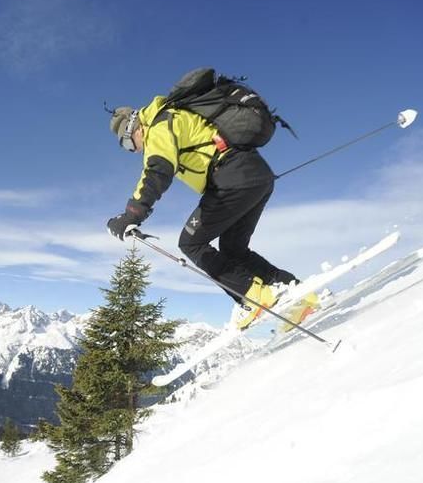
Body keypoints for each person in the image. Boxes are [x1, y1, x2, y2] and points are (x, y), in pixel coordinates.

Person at [106, 96, 299, 324]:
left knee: (191, 243)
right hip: (255, 174)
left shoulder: (158, 125)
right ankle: (294, 293)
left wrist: (132, 215)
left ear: (134, 127)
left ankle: (253, 296)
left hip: (230, 178)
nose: (134, 151)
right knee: (233, 248)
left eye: (129, 144)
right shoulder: (176, 116)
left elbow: (157, 171)